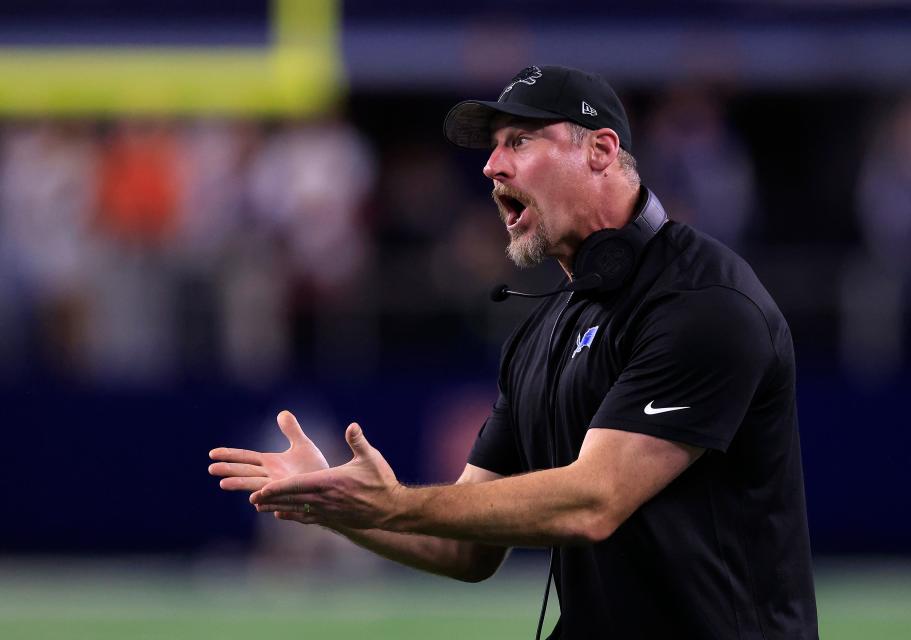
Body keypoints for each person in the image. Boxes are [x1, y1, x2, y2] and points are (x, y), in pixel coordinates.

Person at [209, 65, 819, 639]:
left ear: (601, 152)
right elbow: (466, 549)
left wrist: (393, 504)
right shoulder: (545, 329)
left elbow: (594, 501)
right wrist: (337, 505)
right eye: (492, 146)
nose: (491, 167)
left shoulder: (702, 301)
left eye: (520, 141)